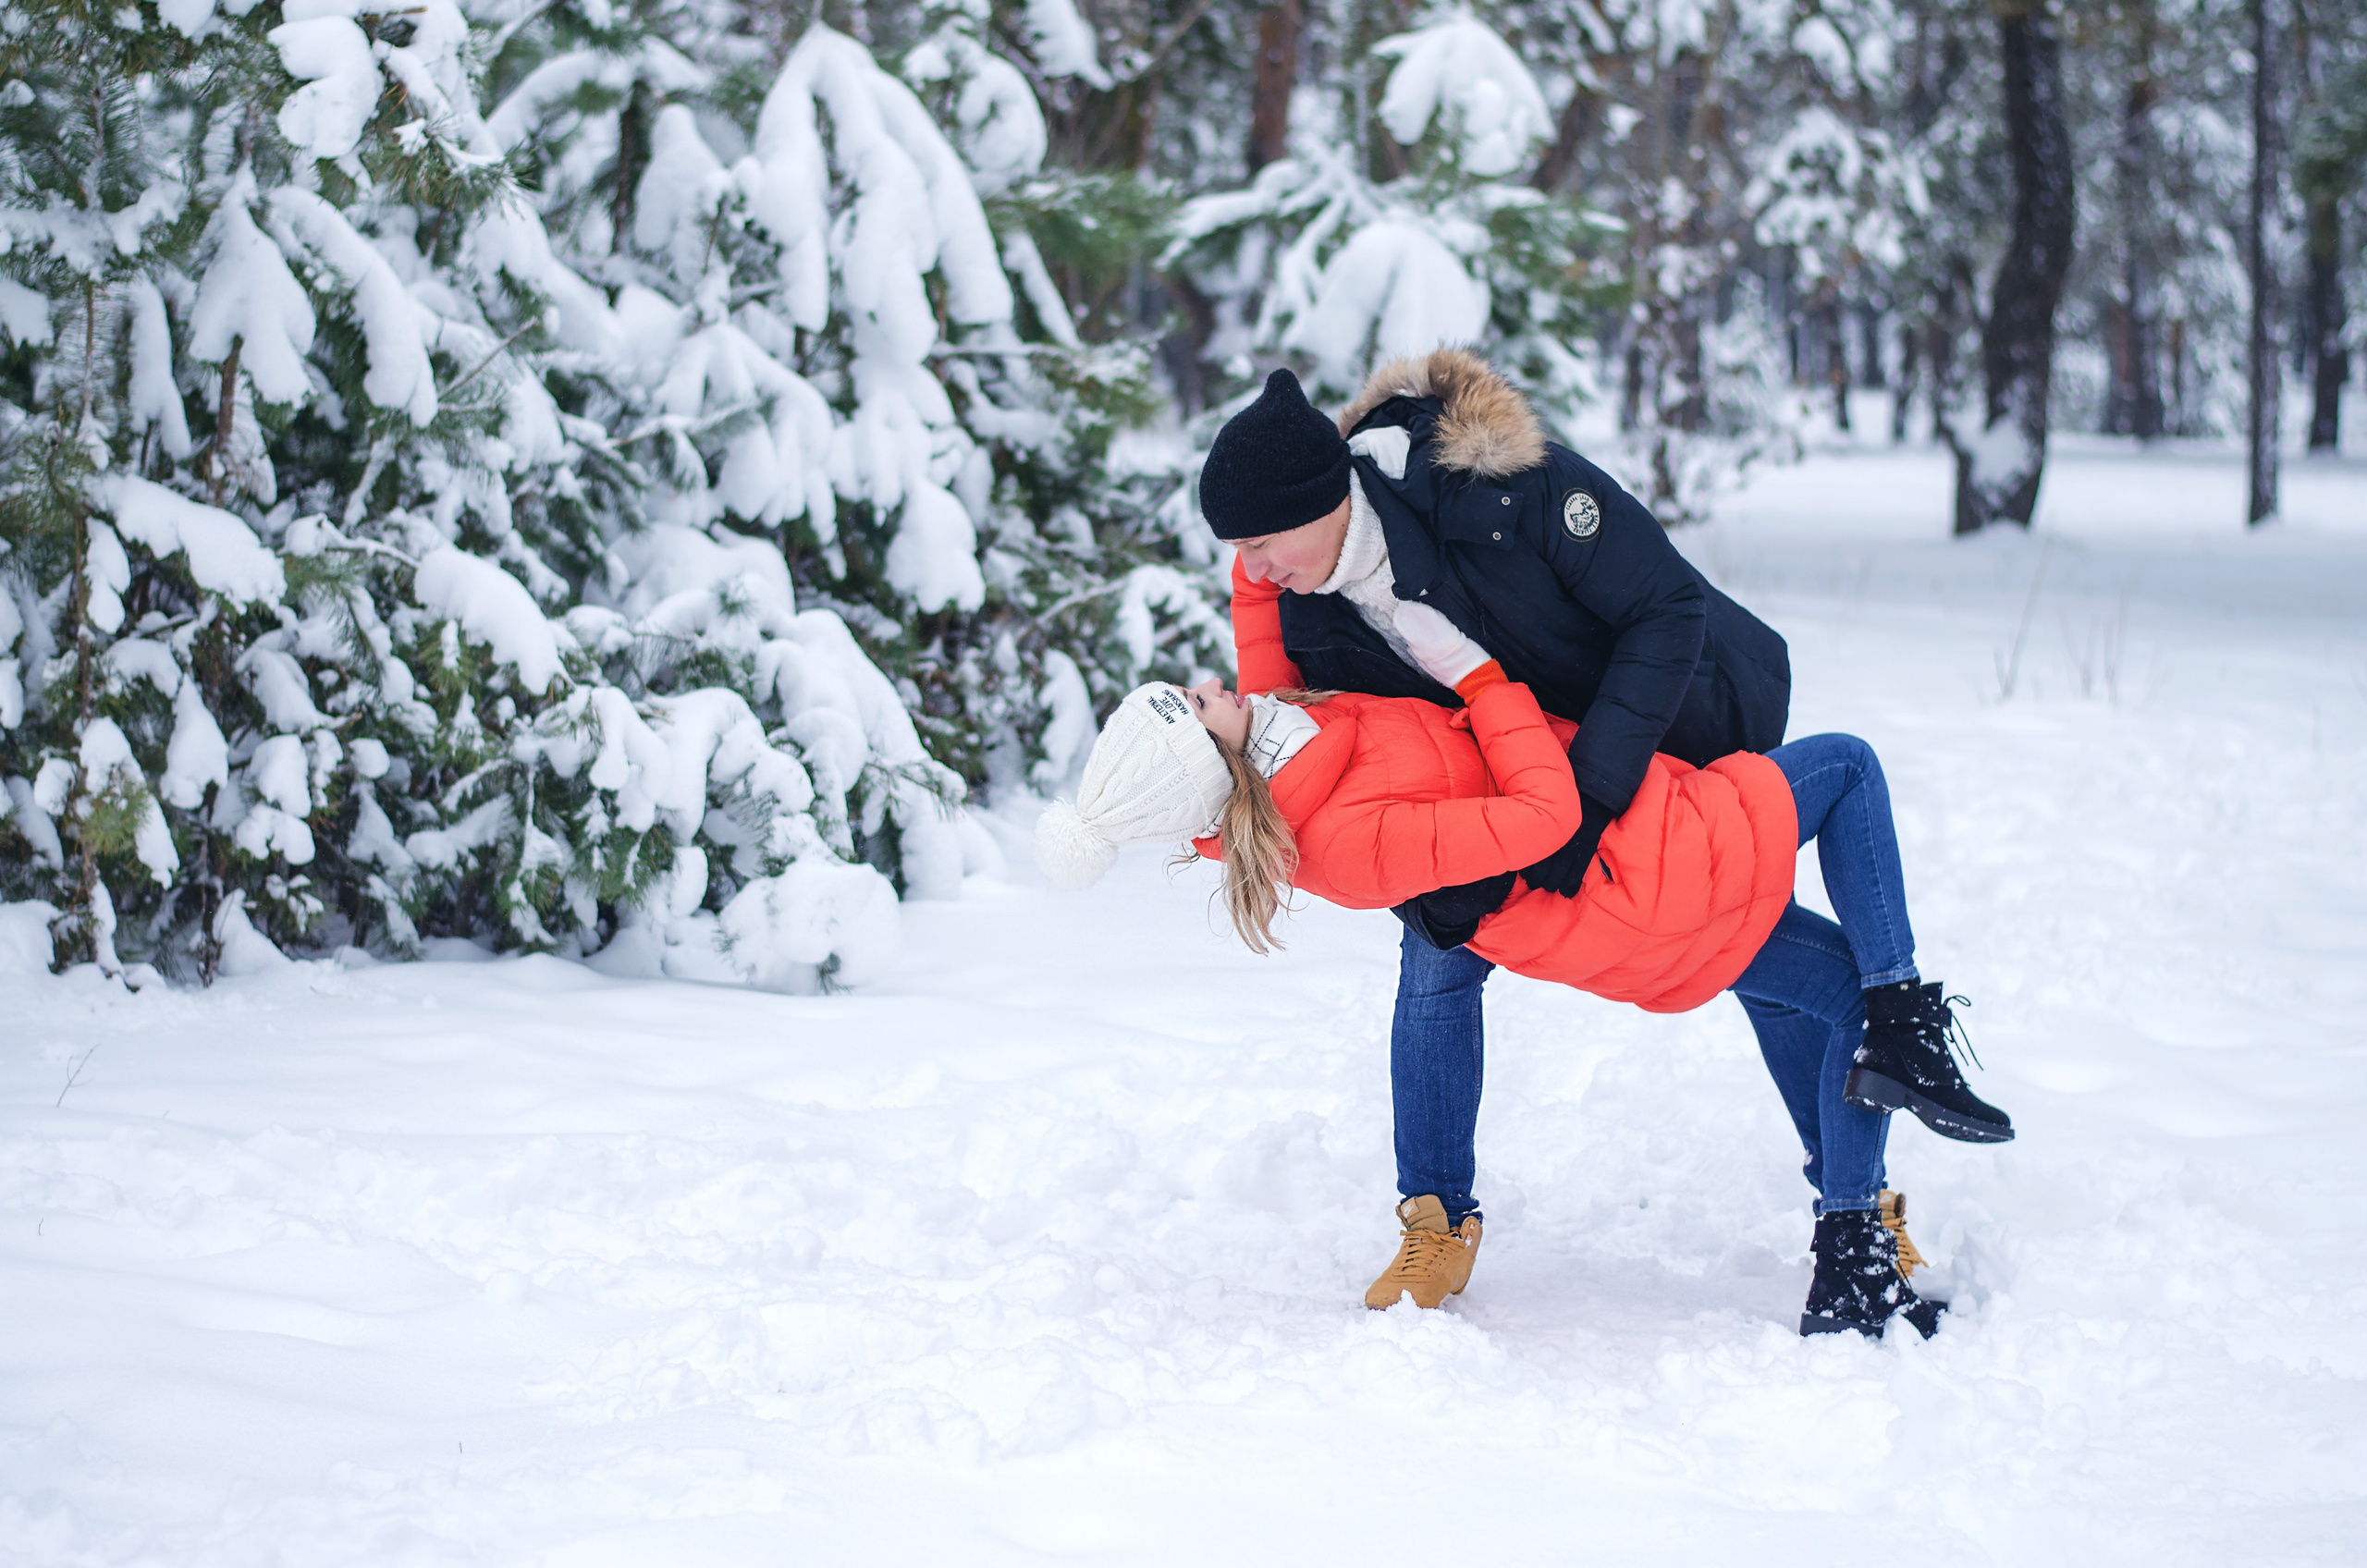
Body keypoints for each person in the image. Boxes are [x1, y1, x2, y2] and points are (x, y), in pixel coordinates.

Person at [1034, 606, 2013, 1340]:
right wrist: (1480, 679)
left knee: (1817, 980)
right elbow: (1543, 816)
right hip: (1624, 872)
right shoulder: (1340, 832)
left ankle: (1861, 1202)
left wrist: (1269, 534)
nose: (1214, 683)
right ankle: (1867, 1183)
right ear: (1212, 757)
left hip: (1626, 858)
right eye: (1196, 703)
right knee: (1846, 788)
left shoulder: (1283, 747)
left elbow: (1262, 654)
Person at [1191, 350, 1799, 1312]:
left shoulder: (1493, 483)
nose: (1249, 565)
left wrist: (1591, 800)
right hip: (1513, 774)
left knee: (1753, 944)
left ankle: (1855, 1202)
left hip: (1675, 723)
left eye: (1262, 541)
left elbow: (1665, 608)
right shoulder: (1296, 590)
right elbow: (1296, 721)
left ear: (1329, 499)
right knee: (1435, 955)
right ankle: (1434, 1220)